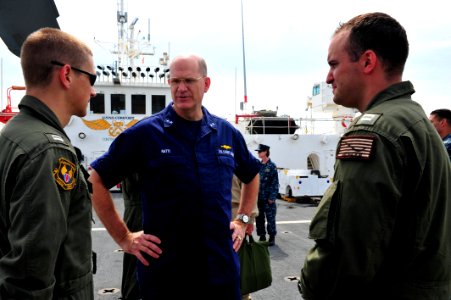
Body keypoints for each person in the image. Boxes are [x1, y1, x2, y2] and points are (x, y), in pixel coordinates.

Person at [298, 12, 451, 299]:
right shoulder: (416, 121)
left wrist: (311, 288)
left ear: (368, 61)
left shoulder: (374, 132)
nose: (329, 77)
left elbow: (348, 254)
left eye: (334, 64)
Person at [88, 54, 261, 299]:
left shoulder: (226, 133)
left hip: (220, 270)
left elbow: (252, 174)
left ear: (206, 84)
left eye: (189, 81)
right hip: (166, 275)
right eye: (175, 81)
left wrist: (242, 220)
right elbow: (96, 179)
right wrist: (124, 237)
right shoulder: (147, 134)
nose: (181, 89)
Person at [0, 27, 96, 299]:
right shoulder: (48, 151)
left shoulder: (14, 134)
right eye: (91, 78)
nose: (93, 90)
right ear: (66, 75)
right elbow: (31, 277)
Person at [231, 175, 258, 300]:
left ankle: (244, 295)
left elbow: (251, 177)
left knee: (239, 266)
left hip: (235, 217)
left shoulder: (237, 156)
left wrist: (249, 219)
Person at [120, 173, 142, 300]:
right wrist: (121, 236)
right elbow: (97, 181)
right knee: (135, 266)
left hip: (138, 211)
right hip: (138, 213)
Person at [254, 144, 279, 246]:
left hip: (268, 198)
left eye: (260, 151)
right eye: (258, 152)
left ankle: (272, 237)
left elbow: (275, 183)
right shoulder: (258, 165)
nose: (258, 153)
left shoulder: (272, 166)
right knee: (259, 218)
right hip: (258, 198)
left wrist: (272, 197)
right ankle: (262, 235)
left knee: (270, 218)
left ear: (265, 152)